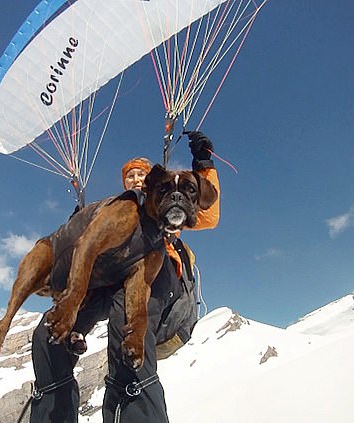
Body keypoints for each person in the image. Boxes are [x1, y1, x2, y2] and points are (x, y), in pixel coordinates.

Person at [28, 131, 220, 423]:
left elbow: (207, 213)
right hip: (108, 280)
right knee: (48, 332)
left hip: (154, 278)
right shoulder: (116, 212)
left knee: (128, 324)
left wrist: (203, 163)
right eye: (130, 176)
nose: (136, 179)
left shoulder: (166, 203)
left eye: (141, 174)